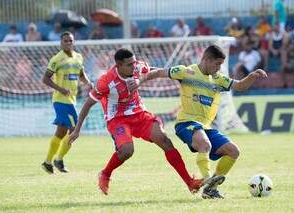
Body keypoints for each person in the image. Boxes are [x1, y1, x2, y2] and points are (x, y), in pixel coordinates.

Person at [128, 44, 268, 199]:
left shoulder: (218, 79)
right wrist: (139, 81)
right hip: (186, 123)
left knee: (233, 151)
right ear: (207, 59)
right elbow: (159, 72)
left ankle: (211, 189)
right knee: (205, 144)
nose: (219, 68)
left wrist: (252, 76)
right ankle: (208, 180)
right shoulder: (186, 71)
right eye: (217, 64)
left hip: (205, 127)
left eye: (221, 64)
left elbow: (240, 86)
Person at [69, 48, 213, 195]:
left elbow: (155, 71)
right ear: (118, 65)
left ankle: (190, 182)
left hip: (139, 114)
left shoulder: (137, 67)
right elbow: (88, 104)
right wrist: (77, 129)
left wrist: (177, 75)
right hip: (117, 119)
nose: (134, 66)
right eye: (129, 64)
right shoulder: (106, 81)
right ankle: (105, 174)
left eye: (134, 62)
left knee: (165, 140)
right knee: (127, 151)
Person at [41, 31, 93, 174]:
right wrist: (61, 89)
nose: (68, 43)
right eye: (65, 41)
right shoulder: (57, 59)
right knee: (74, 130)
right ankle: (58, 159)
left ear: (73, 42)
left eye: (70, 41)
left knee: (60, 132)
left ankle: (47, 162)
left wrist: (89, 83)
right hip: (60, 100)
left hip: (72, 100)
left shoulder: (78, 57)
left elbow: (81, 74)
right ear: (61, 43)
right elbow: (45, 79)